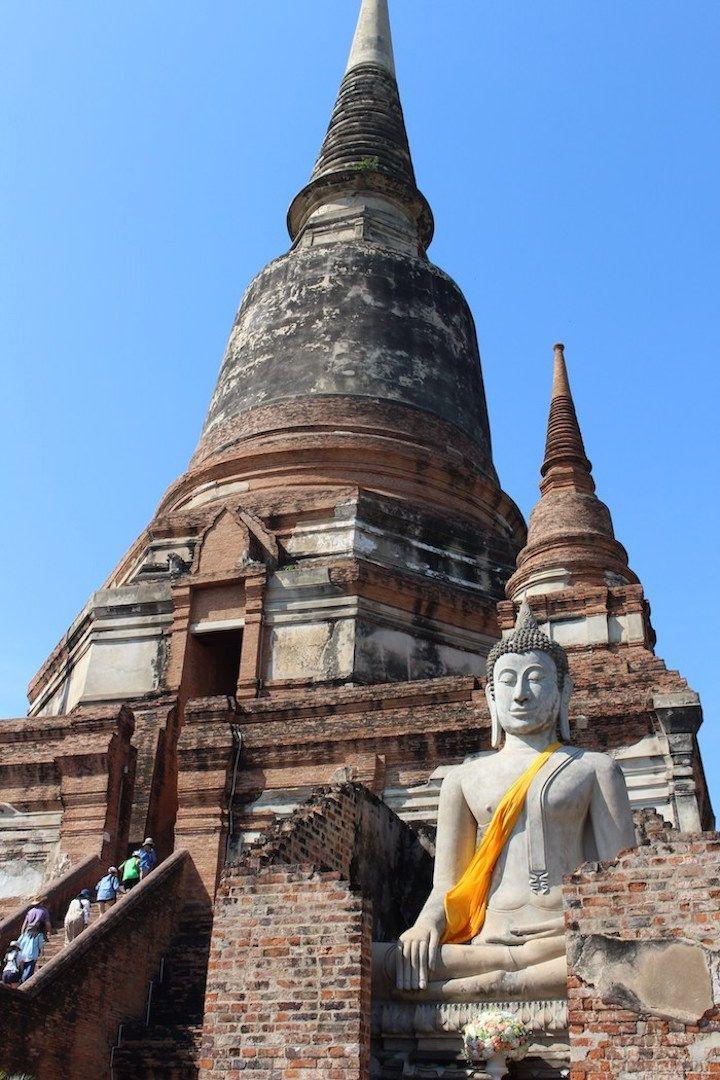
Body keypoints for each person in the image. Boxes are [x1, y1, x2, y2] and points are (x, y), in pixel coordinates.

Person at [374, 600, 636, 1001]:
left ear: (563, 691)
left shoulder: (595, 769)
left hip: (563, 938)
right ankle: (511, 978)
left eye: (535, 678)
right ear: (491, 697)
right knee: (382, 964)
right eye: (508, 681)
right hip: (487, 938)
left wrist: (598, 932)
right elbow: (447, 885)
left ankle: (503, 982)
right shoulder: (462, 779)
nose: (521, 693)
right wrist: (425, 927)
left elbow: (622, 884)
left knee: (614, 960)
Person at [17, 897, 52, 983]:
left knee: (24, 955)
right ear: (41, 903)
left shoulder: (30, 911)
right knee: (32, 956)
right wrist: (49, 932)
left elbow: (25, 924)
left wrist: (23, 934)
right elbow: (47, 923)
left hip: (27, 934)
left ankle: (22, 977)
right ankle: (26, 979)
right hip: (37, 934)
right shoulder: (43, 911)